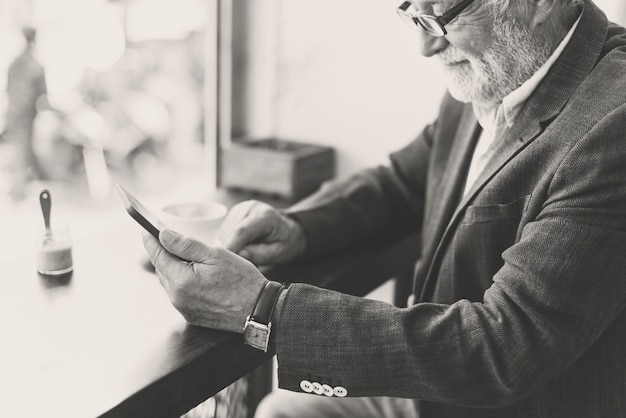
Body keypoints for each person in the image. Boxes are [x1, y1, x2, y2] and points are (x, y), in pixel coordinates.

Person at [142, 0, 626, 416]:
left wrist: (261, 309)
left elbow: (503, 347)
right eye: (412, 15)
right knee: (284, 411)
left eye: (439, 18)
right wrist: (298, 227)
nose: (425, 47)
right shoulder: (499, 65)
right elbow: (405, 181)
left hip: (514, 402)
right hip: (438, 395)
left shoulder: (612, 126)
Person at [4, 26, 49, 201]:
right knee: (22, 149)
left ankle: (23, 184)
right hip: (25, 114)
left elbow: (8, 89)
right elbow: (43, 97)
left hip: (14, 112)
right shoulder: (37, 66)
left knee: (19, 148)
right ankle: (18, 190)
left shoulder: (14, 63)